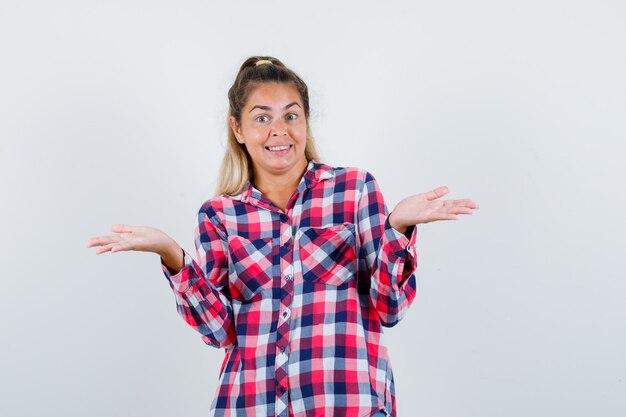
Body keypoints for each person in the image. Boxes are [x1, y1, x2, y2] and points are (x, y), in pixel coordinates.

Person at [87, 56, 479, 417]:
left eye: (291, 115)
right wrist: (172, 254)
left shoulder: (354, 190)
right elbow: (218, 331)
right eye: (262, 118)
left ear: (306, 121)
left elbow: (390, 308)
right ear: (237, 128)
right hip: (250, 404)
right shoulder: (219, 216)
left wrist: (397, 228)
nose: (279, 131)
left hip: (347, 404)